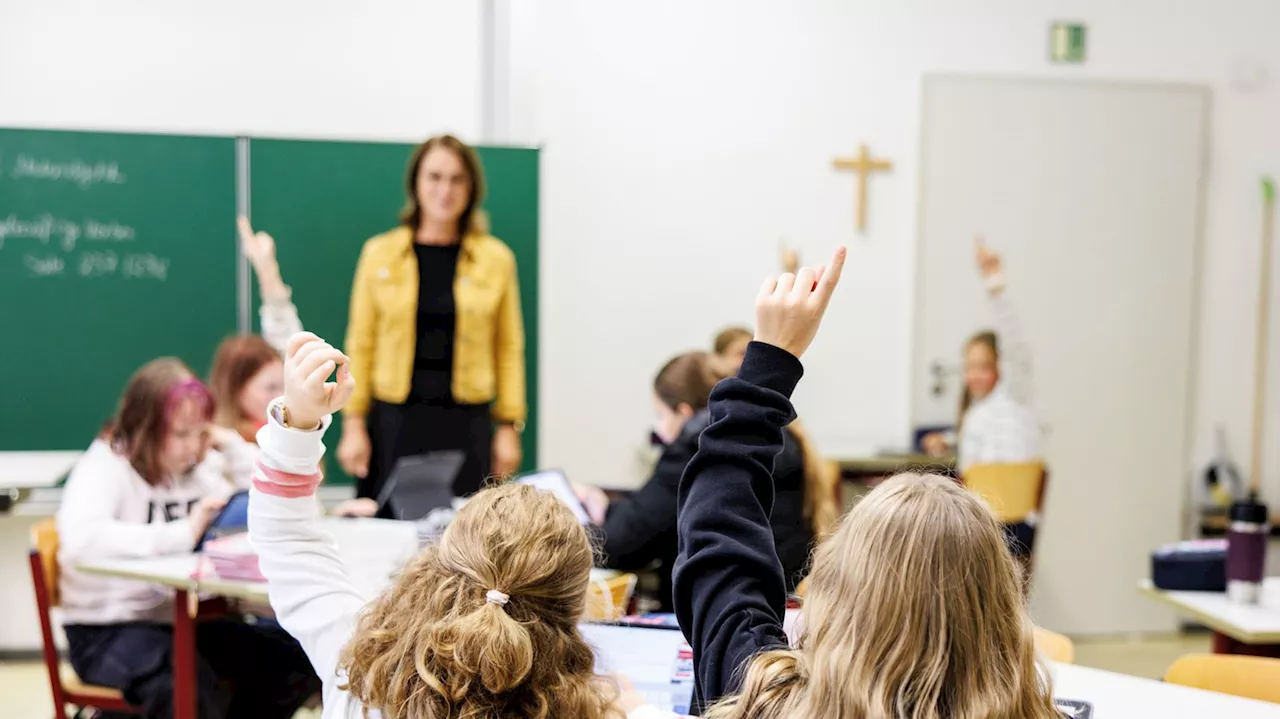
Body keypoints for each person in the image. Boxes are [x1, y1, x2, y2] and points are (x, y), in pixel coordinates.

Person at [672, 249, 1060, 718]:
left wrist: (769, 364)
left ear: (841, 591)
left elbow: (721, 548)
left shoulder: (766, 701)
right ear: (999, 614)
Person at [246, 332, 687, 718]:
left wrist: (298, 426)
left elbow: (288, 542)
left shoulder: (359, 676)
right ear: (575, 612)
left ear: (439, 565)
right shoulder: (596, 711)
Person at [57, 359, 318, 719]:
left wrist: (228, 444)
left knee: (291, 662)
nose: (192, 447)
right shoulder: (107, 466)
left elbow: (269, 487)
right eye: (180, 435)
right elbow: (82, 539)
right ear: (142, 427)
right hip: (106, 631)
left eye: (200, 433)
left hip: (178, 623)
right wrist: (182, 533)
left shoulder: (196, 467)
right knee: (191, 688)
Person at [337, 134, 526, 507]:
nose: (445, 190)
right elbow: (361, 342)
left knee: (465, 542)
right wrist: (353, 423)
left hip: (466, 422)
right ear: (416, 184)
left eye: (457, 179)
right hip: (394, 421)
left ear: (471, 188)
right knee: (389, 537)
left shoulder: (496, 259)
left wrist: (508, 426)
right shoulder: (380, 254)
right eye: (435, 177)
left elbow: (508, 347)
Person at [575, 351, 832, 610]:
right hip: (769, 604)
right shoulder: (773, 435)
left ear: (684, 412)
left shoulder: (696, 445)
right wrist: (606, 507)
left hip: (718, 610)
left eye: (661, 416)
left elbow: (621, 545)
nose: (660, 430)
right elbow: (653, 512)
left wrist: (571, 523)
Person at [921, 238, 1040, 471]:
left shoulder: (1013, 397)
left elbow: (1014, 345)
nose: (974, 375)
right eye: (969, 367)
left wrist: (995, 284)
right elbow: (981, 434)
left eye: (983, 367)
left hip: (1010, 505)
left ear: (999, 367)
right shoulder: (976, 415)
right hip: (981, 503)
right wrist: (947, 441)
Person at [204, 217, 304, 488]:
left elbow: (288, 336)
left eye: (282, 386)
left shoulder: (284, 426)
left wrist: (267, 270)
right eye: (269, 387)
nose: (280, 396)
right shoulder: (215, 447)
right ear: (235, 389)